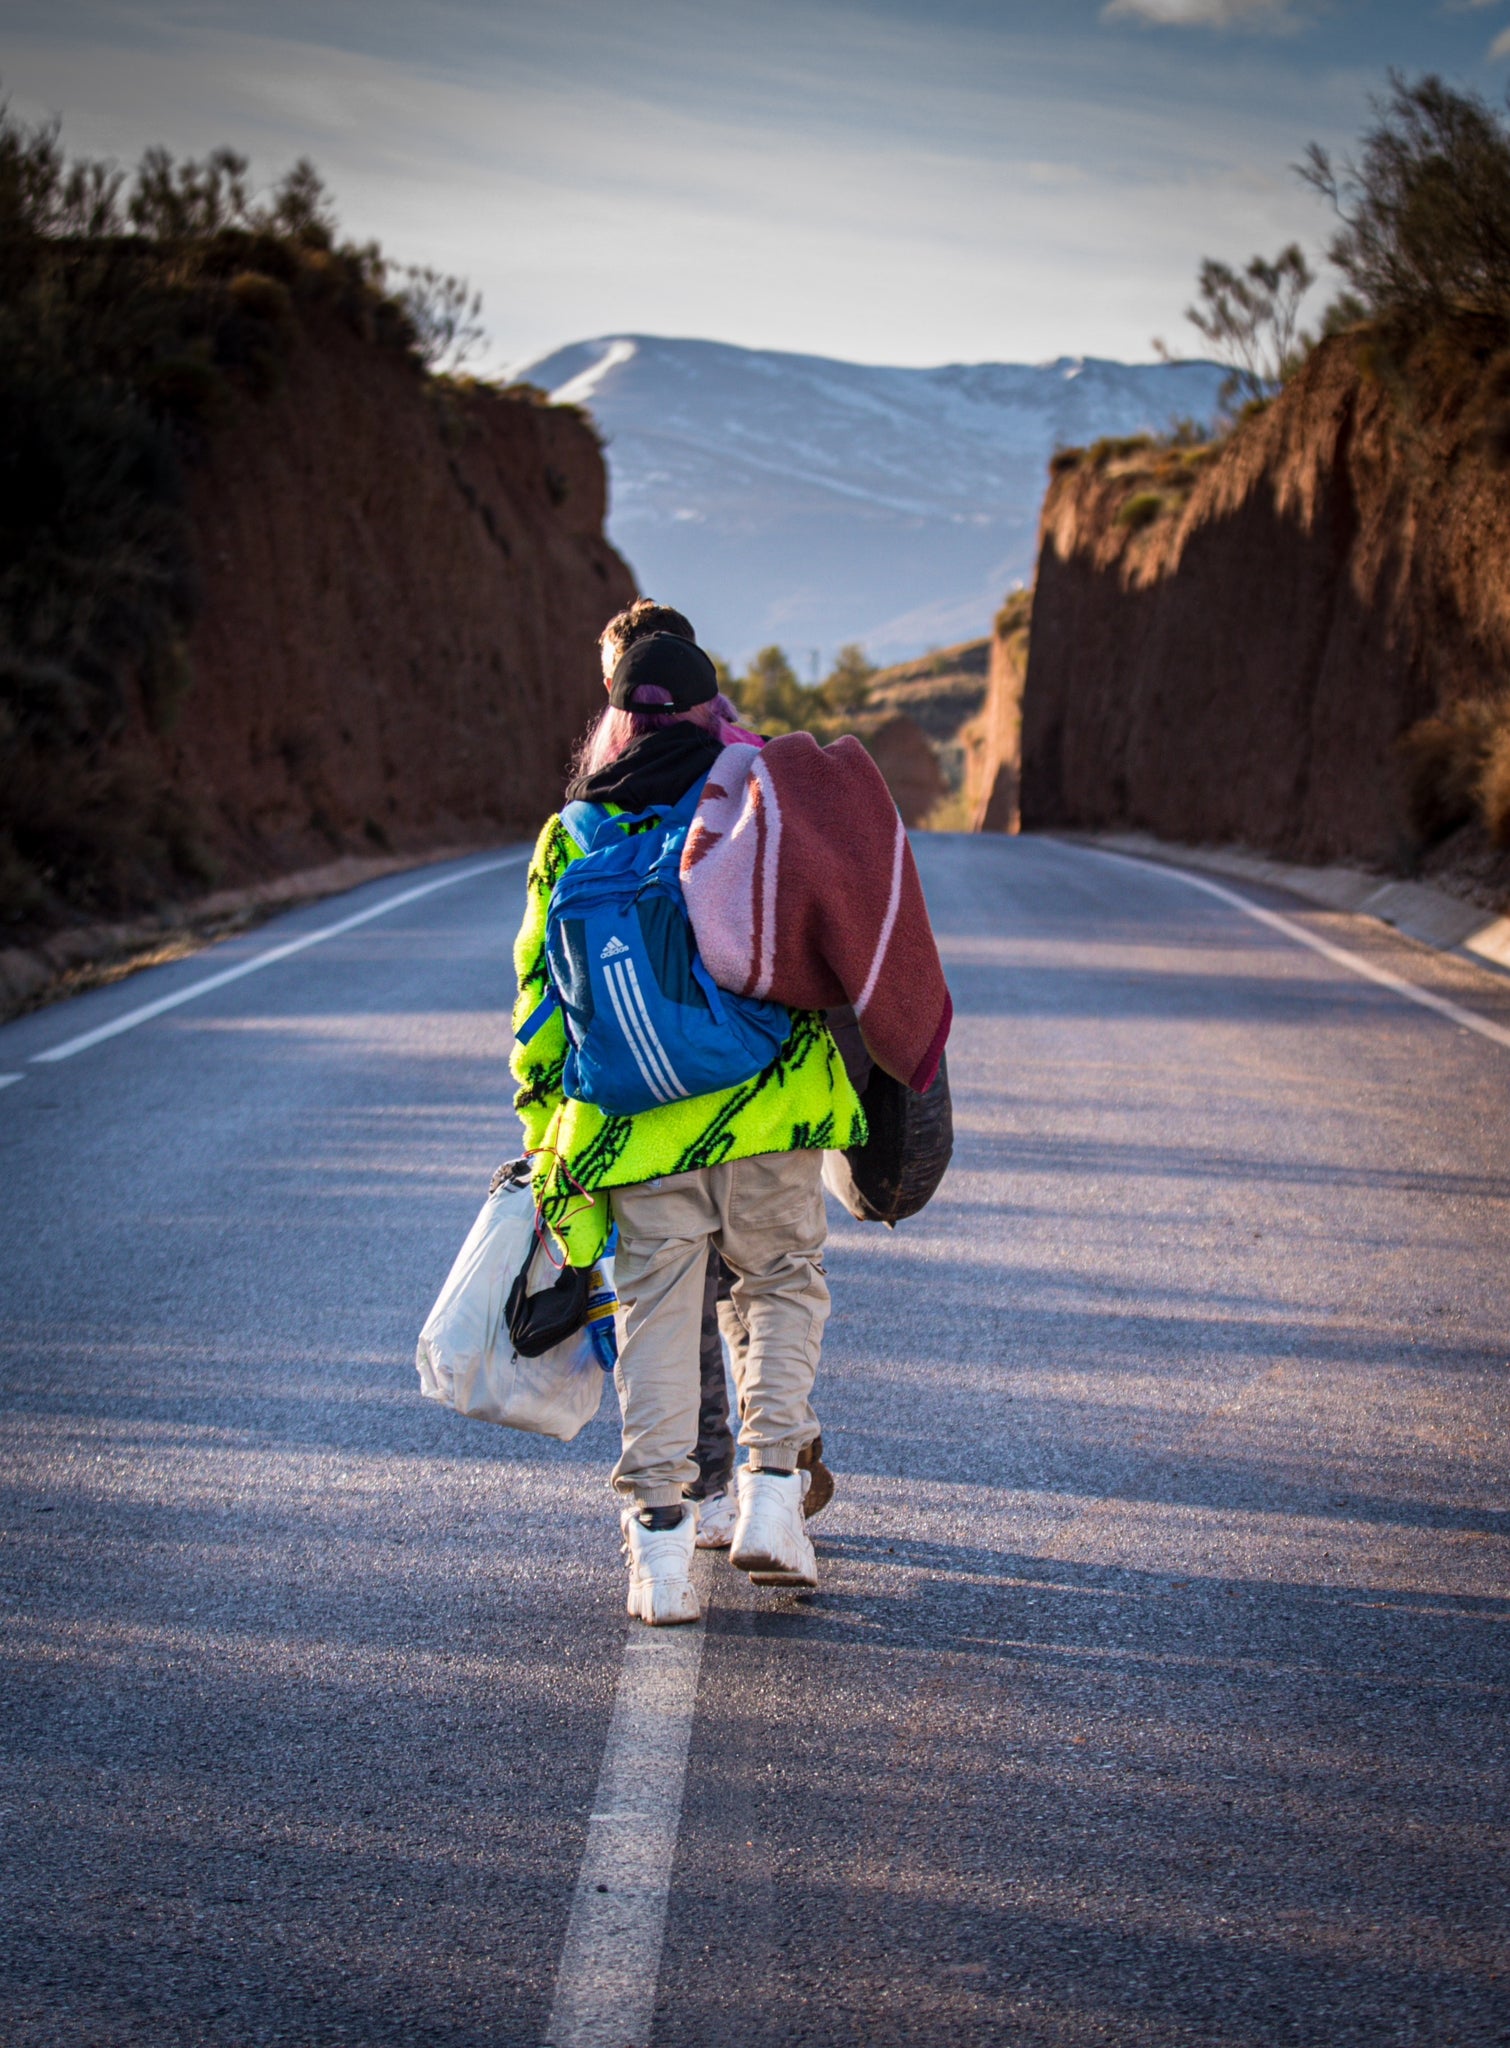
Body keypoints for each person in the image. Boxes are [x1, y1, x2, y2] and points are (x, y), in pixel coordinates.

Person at [508, 600, 866, 1625]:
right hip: (767, 1110)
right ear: (714, 707)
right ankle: (771, 1499)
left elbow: (540, 1008)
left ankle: (660, 1554)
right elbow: (829, 938)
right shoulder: (757, 796)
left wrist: (548, 1140)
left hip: (636, 1129)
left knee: (658, 1320)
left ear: (618, 719)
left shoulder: (572, 833)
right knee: (780, 1285)